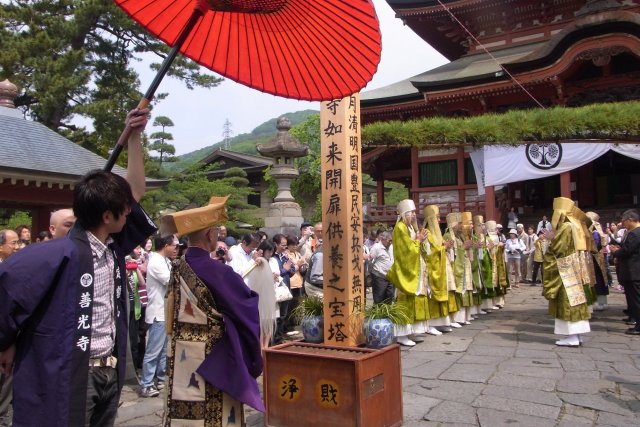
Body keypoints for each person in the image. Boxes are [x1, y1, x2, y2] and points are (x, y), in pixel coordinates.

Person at [0, 107, 156, 426]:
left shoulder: (114, 249)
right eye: (123, 210)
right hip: (70, 371)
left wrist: (135, 137)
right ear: (106, 216)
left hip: (108, 371)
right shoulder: (52, 256)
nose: (130, 213)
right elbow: (10, 294)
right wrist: (7, 341)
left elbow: (134, 192)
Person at [160, 197, 264, 425]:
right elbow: (246, 312)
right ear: (209, 235)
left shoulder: (178, 267)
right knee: (215, 414)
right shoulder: (219, 272)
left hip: (181, 355)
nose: (217, 236)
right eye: (216, 231)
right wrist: (255, 359)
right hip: (214, 357)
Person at [542, 197, 591, 347]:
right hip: (573, 267)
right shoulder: (574, 225)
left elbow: (558, 250)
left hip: (565, 269)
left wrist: (550, 240)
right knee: (575, 300)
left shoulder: (565, 227)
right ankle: (576, 335)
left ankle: (572, 336)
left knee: (567, 301)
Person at [387, 199, 431, 346]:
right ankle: (401, 334)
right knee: (405, 300)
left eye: (414, 212)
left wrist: (422, 240)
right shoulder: (399, 228)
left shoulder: (411, 228)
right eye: (411, 212)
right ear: (405, 213)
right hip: (405, 270)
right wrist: (418, 240)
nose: (414, 215)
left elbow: (416, 247)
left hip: (416, 267)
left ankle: (412, 331)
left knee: (415, 299)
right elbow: (405, 251)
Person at [139, 234, 177, 397]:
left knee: (162, 350)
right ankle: (146, 384)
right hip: (158, 312)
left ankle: (160, 378)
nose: (176, 248)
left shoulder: (166, 261)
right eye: (174, 245)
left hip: (165, 311)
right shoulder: (155, 262)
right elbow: (171, 281)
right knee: (153, 350)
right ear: (166, 245)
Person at [0, 230, 20, 426]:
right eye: (13, 243)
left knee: (6, 392)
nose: (17, 247)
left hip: (8, 340)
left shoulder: (16, 268)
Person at [610, 210, 640, 335]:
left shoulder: (635, 233)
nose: (623, 224)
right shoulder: (633, 232)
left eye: (624, 221)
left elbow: (627, 250)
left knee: (636, 299)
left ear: (631, 219)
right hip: (632, 270)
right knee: (633, 298)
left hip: (633, 270)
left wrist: (615, 252)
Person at [369, 231, 394, 304]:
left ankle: (387, 315)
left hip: (390, 277)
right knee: (379, 298)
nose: (390, 242)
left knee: (389, 297)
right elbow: (370, 261)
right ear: (383, 239)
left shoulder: (391, 247)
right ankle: (378, 315)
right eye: (389, 240)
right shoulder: (376, 247)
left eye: (391, 241)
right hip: (379, 277)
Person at [304, 222, 324, 299]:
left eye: (322, 230)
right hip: (314, 287)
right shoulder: (320, 253)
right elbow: (315, 277)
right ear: (314, 232)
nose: (320, 233)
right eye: (318, 231)